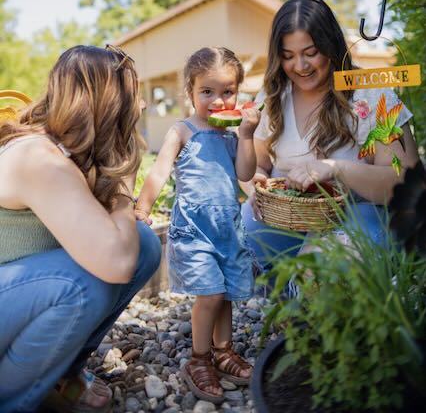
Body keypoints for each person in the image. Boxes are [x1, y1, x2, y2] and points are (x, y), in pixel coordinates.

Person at [0, 45, 162, 413]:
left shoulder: (65, 152)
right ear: (105, 105)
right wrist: (124, 179)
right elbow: (116, 262)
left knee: (146, 244)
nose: (139, 108)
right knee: (82, 283)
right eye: (131, 98)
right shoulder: (39, 158)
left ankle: (60, 372)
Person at [241, 0, 419, 269]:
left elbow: (408, 183)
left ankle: (308, 296)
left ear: (331, 45)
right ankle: (288, 291)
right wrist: (258, 186)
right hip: (290, 220)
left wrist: (336, 169)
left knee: (319, 268)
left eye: (310, 53)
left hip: (359, 217)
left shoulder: (373, 93)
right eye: (288, 56)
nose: (300, 67)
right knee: (245, 222)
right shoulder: (274, 95)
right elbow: (257, 165)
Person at [135, 46, 261, 404]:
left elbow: (245, 174)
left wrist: (248, 135)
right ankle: (198, 358)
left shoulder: (232, 134)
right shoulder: (183, 130)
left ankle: (224, 350)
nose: (219, 101)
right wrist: (143, 207)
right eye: (207, 92)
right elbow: (159, 171)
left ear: (238, 92)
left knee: (226, 295)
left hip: (227, 228)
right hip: (195, 230)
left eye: (227, 92)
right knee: (210, 293)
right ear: (190, 92)